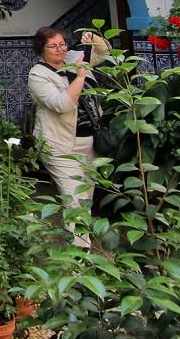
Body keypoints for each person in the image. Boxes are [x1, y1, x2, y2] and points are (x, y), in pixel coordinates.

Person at [26, 27, 110, 246]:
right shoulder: (38, 74)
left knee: (85, 200)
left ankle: (76, 250)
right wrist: (80, 76)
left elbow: (105, 53)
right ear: (41, 49)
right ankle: (80, 267)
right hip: (59, 145)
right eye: (53, 46)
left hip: (88, 143)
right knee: (76, 201)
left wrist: (94, 38)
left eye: (62, 44)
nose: (60, 49)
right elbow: (62, 104)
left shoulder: (74, 57)